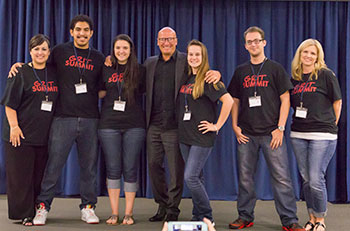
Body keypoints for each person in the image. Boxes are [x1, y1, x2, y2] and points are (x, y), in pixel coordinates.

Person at [9, 15, 105, 225]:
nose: (81, 33)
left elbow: (102, 89)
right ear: (71, 32)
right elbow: (38, 63)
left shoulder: (98, 57)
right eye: (77, 29)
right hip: (63, 118)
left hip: (90, 120)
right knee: (53, 166)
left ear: (91, 33)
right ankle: (42, 207)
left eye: (86, 30)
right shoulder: (60, 52)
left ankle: (88, 207)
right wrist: (21, 66)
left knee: (88, 167)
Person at [227, 26, 305, 231]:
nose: (253, 44)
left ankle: (289, 220)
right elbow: (234, 100)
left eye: (257, 40)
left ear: (264, 42)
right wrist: (234, 126)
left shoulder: (275, 69)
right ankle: (245, 216)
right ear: (245, 45)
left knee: (282, 179)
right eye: (249, 41)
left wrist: (280, 128)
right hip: (246, 134)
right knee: (245, 179)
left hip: (272, 134)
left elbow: (286, 99)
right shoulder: (240, 71)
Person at [144, 27, 221, 222]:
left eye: (170, 38)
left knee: (177, 171)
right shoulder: (150, 63)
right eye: (162, 39)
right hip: (153, 124)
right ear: (157, 41)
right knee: (154, 166)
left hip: (175, 126)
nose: (166, 42)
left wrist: (216, 73)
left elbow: (202, 67)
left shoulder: (185, 60)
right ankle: (162, 204)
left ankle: (173, 209)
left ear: (176, 40)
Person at [1, 34, 58, 226]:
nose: (40, 52)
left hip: (43, 135)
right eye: (36, 49)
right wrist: (14, 127)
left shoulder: (54, 72)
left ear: (49, 52)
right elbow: (9, 104)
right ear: (30, 51)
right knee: (21, 177)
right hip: (20, 135)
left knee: (37, 176)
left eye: (43, 49)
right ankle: (24, 214)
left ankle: (35, 210)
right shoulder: (20, 72)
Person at [178, 40, 233, 227]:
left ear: (203, 58)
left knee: (190, 177)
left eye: (197, 55)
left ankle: (208, 215)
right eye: (191, 54)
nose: (194, 58)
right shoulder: (185, 78)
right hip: (185, 135)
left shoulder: (209, 79)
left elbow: (229, 102)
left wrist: (217, 126)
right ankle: (198, 216)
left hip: (201, 137)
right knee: (197, 177)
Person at [289, 39, 342, 231]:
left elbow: (337, 102)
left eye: (312, 53)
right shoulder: (294, 78)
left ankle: (320, 220)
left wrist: (330, 125)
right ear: (300, 55)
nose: (308, 56)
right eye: (305, 52)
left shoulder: (326, 75)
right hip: (298, 134)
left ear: (318, 56)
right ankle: (311, 218)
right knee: (306, 179)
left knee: (315, 178)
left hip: (323, 135)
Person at [98, 34, 146, 225]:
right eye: (118, 48)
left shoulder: (140, 70)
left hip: (134, 125)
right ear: (113, 49)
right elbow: (100, 91)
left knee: (130, 168)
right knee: (113, 168)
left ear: (131, 50)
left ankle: (128, 213)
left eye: (125, 48)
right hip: (109, 125)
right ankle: (114, 213)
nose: (121, 51)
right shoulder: (106, 67)